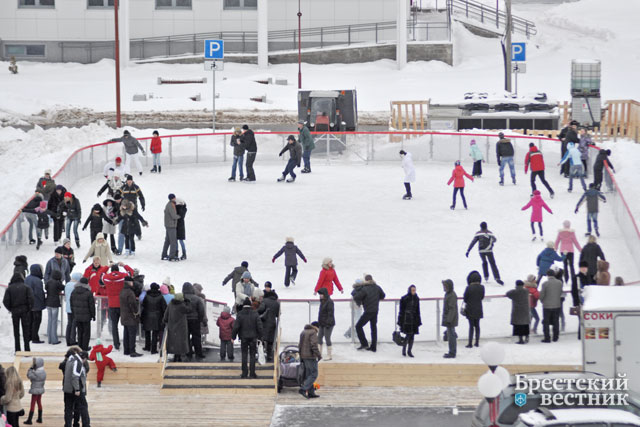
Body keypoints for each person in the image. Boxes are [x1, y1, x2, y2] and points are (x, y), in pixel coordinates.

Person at [103, 263, 134, 350]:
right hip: (122, 304)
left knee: (114, 325)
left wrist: (107, 266)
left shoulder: (106, 277)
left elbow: (100, 274)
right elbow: (131, 272)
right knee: (125, 324)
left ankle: (116, 344)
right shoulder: (123, 276)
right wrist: (124, 265)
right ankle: (126, 343)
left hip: (112, 305)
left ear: (111, 270)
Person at [352, 274, 385, 352]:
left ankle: (364, 344)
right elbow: (383, 295)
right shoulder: (377, 287)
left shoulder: (364, 289)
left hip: (368, 311)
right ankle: (373, 347)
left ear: (366, 281)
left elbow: (357, 297)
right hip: (375, 311)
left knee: (358, 326)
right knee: (373, 328)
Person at [232, 299, 263, 379]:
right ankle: (252, 373)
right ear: (250, 305)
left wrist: (233, 337)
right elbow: (259, 326)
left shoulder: (240, 314)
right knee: (252, 355)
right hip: (253, 338)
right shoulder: (255, 314)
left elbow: (236, 327)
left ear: (243, 305)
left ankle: (244, 373)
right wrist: (261, 337)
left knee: (244, 355)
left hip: (244, 337)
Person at [3, 273, 34, 352]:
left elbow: (5, 301)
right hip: (24, 311)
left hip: (15, 311)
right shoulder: (26, 287)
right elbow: (31, 299)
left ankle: (17, 349)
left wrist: (10, 309)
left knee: (16, 331)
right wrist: (28, 308)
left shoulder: (9, 288)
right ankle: (27, 349)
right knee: (26, 331)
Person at [63, 348, 90, 427]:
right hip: (75, 389)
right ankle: (86, 425)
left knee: (68, 409)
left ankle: (68, 425)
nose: (85, 361)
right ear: (83, 358)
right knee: (83, 407)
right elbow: (75, 376)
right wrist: (77, 389)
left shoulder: (70, 360)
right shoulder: (78, 362)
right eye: (85, 359)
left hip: (67, 389)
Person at [163, 293, 190, 362]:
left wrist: (165, 320)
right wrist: (187, 302)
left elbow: (166, 313)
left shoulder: (171, 303)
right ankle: (179, 356)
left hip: (172, 325)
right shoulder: (182, 305)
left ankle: (175, 355)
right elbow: (189, 310)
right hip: (181, 326)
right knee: (180, 341)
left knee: (174, 341)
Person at [555, 220, 582, 287]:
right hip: (570, 251)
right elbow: (575, 242)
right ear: (569, 225)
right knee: (571, 265)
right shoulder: (571, 233)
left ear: (563, 225)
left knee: (565, 265)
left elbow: (557, 241)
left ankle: (566, 279)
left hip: (563, 251)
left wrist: (555, 249)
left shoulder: (560, 233)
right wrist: (580, 250)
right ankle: (573, 279)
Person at [70, 278, 95, 351]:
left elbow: (71, 304)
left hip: (77, 316)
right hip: (86, 316)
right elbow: (91, 305)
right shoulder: (88, 293)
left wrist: (74, 313)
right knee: (86, 333)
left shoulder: (74, 291)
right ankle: (85, 347)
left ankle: (80, 346)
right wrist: (93, 315)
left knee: (79, 331)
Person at [298, 321, 321, 399]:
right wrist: (319, 355)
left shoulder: (303, 332)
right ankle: (303, 389)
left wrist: (301, 356)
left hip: (304, 356)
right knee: (314, 373)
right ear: (316, 327)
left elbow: (299, 345)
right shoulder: (313, 332)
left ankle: (311, 392)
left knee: (308, 374)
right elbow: (314, 345)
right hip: (310, 356)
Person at [141, 283, 167, 354]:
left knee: (147, 332)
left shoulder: (147, 296)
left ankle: (147, 346)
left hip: (147, 315)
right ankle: (153, 349)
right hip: (157, 316)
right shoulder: (161, 297)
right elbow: (164, 307)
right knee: (155, 333)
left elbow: (143, 305)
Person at [182, 282, 205, 360]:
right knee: (197, 337)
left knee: (186, 337)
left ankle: (188, 353)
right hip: (195, 320)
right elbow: (201, 310)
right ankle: (199, 353)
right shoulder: (197, 298)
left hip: (184, 320)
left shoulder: (182, 298)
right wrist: (200, 319)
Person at [539, 270, 563, 343]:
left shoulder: (545, 284)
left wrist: (542, 300)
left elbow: (542, 295)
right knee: (556, 321)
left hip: (547, 306)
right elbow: (561, 293)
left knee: (546, 322)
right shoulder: (559, 283)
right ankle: (555, 337)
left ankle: (547, 338)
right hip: (557, 305)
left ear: (547, 275)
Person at [120, 278, 142, 357]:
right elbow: (133, 304)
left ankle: (126, 350)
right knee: (132, 335)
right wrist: (136, 313)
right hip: (131, 317)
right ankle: (132, 351)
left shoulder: (122, 291)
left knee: (126, 334)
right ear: (129, 283)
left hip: (124, 316)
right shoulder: (130, 292)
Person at [398, 285, 422, 357]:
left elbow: (418, 310)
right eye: (412, 290)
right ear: (409, 290)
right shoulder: (404, 298)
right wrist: (400, 321)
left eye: (414, 290)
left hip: (414, 319)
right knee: (408, 335)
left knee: (412, 336)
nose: (414, 291)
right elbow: (401, 311)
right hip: (406, 320)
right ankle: (404, 350)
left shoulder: (416, 299)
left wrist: (418, 320)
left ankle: (409, 351)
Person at [25, 264, 46, 344]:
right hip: (36, 304)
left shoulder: (27, 279)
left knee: (30, 320)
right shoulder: (38, 280)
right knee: (36, 321)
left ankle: (29, 336)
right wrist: (43, 302)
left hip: (28, 304)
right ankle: (35, 338)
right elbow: (39, 293)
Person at [258, 285, 280, 363]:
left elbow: (260, 310)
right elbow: (278, 314)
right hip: (273, 323)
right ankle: (269, 354)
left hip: (264, 322)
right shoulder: (277, 303)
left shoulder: (264, 301)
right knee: (270, 340)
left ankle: (262, 353)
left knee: (262, 338)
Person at [462, 271, 484, 348]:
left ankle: (470, 343)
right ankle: (477, 342)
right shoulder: (482, 287)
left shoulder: (468, 288)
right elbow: (482, 297)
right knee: (477, 325)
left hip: (470, 309)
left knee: (471, 326)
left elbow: (465, 299)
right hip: (478, 308)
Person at [45, 270, 65, 345]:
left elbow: (46, 288)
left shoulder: (48, 282)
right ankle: (54, 340)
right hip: (54, 303)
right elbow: (63, 287)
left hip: (48, 302)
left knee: (50, 321)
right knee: (54, 322)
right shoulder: (57, 283)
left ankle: (49, 339)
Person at [24, 357, 46, 425]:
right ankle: (40, 418)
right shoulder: (43, 372)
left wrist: (30, 368)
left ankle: (29, 420)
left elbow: (28, 375)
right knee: (39, 402)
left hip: (35, 389)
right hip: (40, 389)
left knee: (32, 404)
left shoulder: (35, 373)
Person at [316, 288, 335, 361]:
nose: (320, 296)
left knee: (327, 338)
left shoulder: (329, 302)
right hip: (322, 323)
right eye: (320, 294)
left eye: (321, 294)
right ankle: (319, 353)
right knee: (319, 337)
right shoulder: (322, 301)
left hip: (328, 324)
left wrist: (328, 323)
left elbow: (330, 314)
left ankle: (329, 355)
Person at [441, 279, 458, 358]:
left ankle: (452, 352)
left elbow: (452, 309)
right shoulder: (448, 294)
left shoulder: (451, 295)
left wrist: (448, 320)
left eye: (445, 286)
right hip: (450, 319)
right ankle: (451, 351)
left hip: (451, 320)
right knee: (450, 335)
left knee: (451, 336)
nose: (443, 287)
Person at [64, 273, 82, 346]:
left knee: (69, 324)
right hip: (75, 307)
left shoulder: (67, 284)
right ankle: (72, 340)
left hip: (68, 307)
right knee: (74, 325)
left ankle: (68, 339)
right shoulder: (76, 286)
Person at [162, 194, 181, 261]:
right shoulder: (170, 205)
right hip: (171, 225)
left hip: (168, 225)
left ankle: (164, 255)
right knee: (173, 241)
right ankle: (172, 256)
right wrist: (179, 216)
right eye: (174, 197)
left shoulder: (170, 204)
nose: (175, 198)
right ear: (172, 198)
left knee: (167, 241)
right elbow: (173, 216)